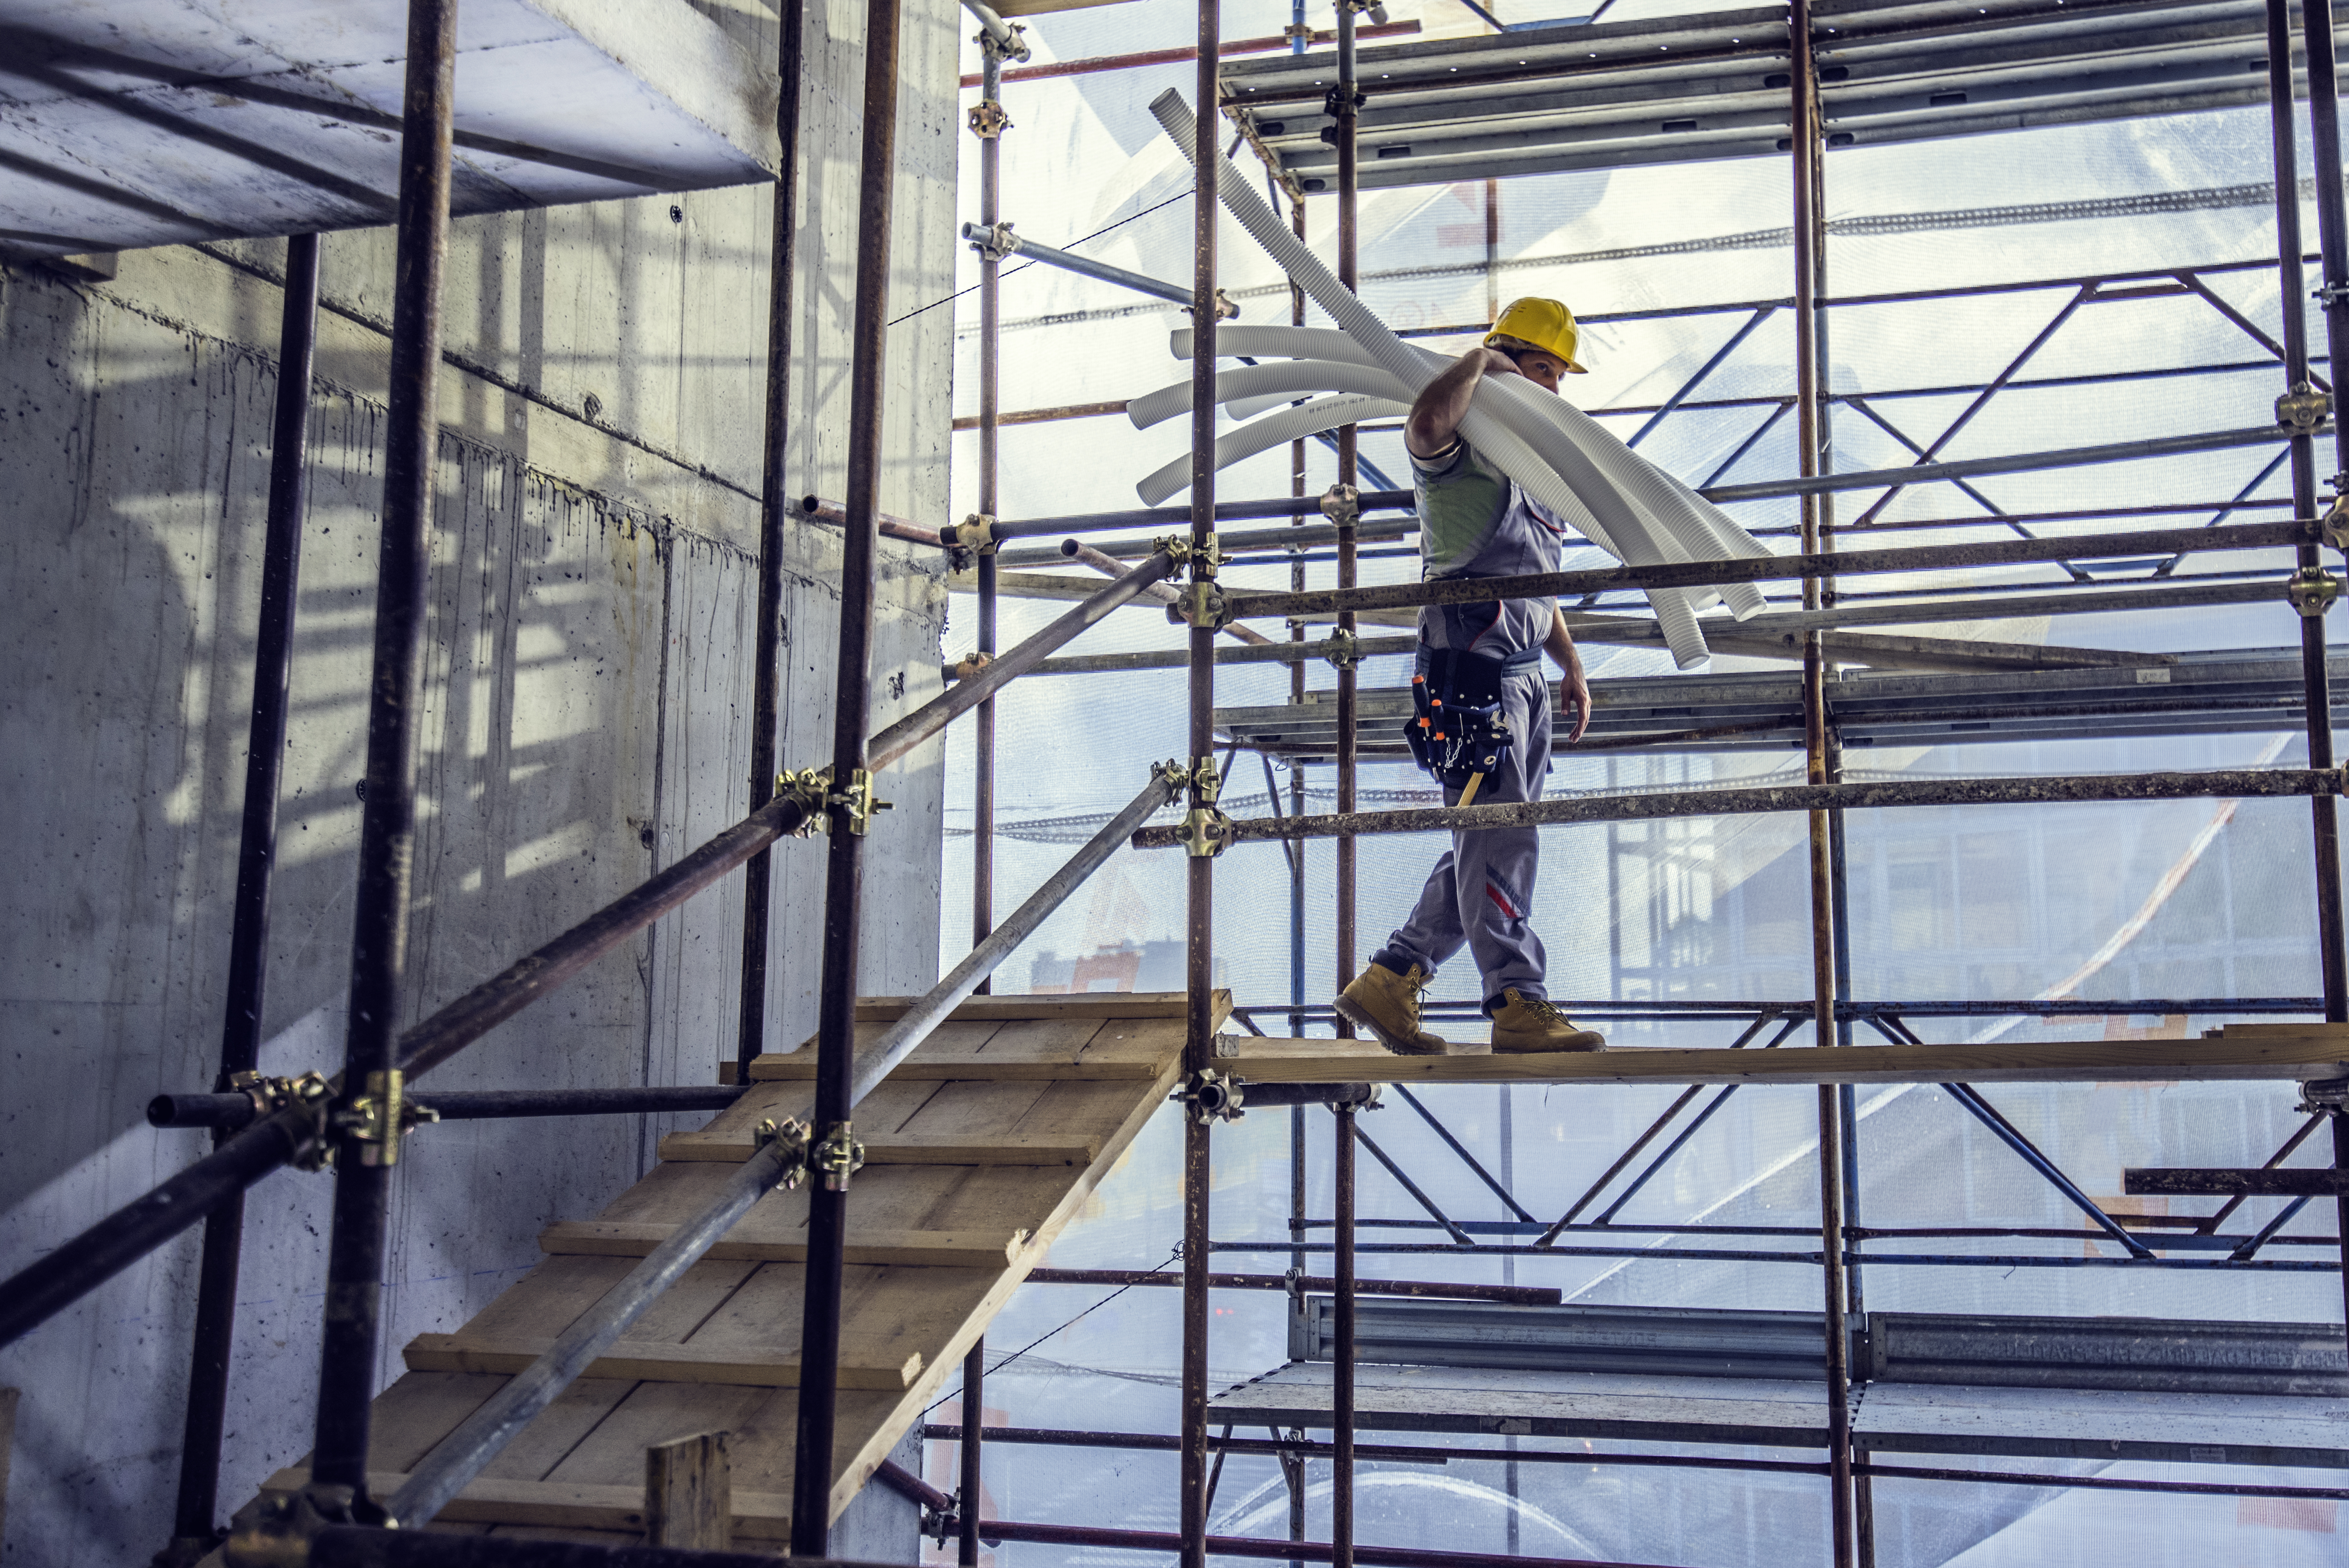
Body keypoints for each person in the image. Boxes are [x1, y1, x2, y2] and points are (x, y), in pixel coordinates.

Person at [1332, 297, 1608, 1056]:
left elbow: (1534, 586)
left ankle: (1393, 976)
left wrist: (1572, 665)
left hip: (1522, 679)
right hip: (1473, 679)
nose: (1552, 390)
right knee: (1499, 837)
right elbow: (1423, 428)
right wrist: (1482, 364)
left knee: (1483, 841)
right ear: (1511, 358)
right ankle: (1517, 999)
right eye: (1543, 369)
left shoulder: (1532, 473)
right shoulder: (1466, 464)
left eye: (1558, 376)